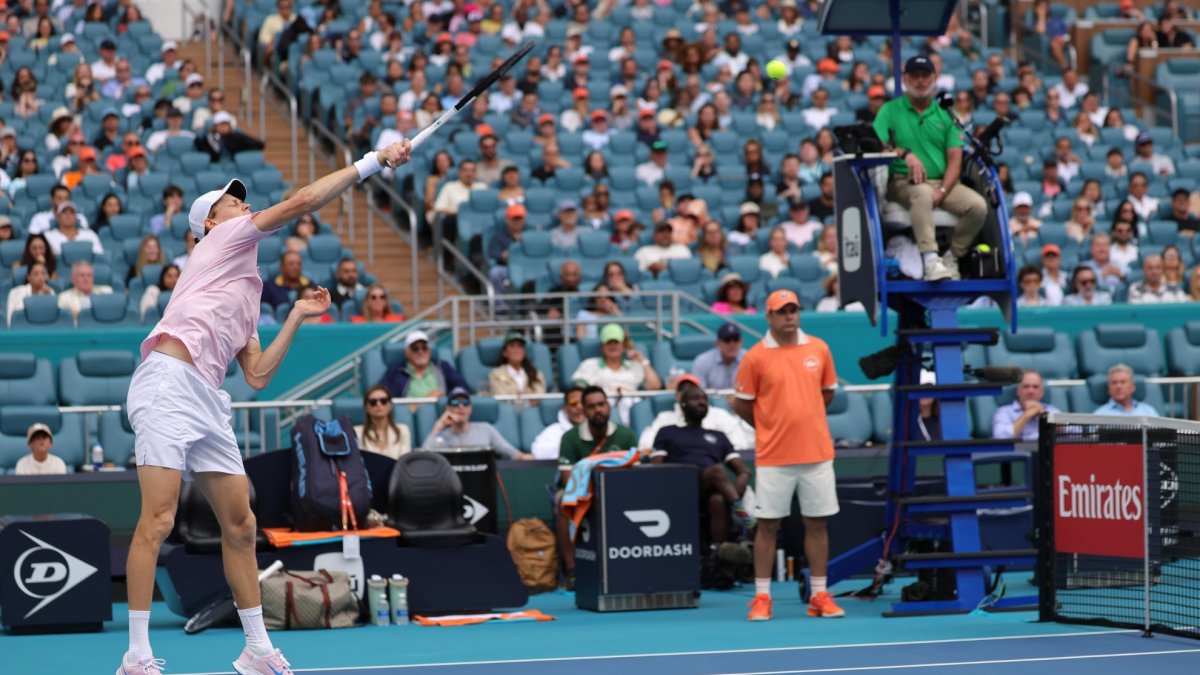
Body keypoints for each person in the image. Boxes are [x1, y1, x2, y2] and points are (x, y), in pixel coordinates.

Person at [119, 137, 412, 675]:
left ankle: (256, 649)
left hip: (208, 395)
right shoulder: (223, 240)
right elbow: (302, 201)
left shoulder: (247, 289)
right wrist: (372, 162)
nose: (241, 203)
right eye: (230, 201)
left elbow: (254, 375)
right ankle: (136, 657)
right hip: (166, 382)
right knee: (157, 520)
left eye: (239, 198)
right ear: (211, 223)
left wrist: (296, 315)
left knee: (241, 523)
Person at [733, 289, 845, 621]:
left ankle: (820, 594)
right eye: (782, 311)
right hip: (773, 457)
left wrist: (803, 420)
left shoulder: (819, 348)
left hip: (816, 453)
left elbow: (826, 394)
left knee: (817, 523)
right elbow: (741, 403)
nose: (789, 316)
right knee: (767, 526)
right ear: (769, 317)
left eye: (793, 310)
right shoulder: (754, 357)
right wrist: (771, 425)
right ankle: (762, 598)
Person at [874, 55, 988, 281]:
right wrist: (904, 153)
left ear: (934, 79)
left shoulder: (946, 114)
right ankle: (930, 259)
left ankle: (952, 256)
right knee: (923, 193)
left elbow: (955, 159)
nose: (920, 81)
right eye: (914, 76)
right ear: (905, 80)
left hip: (942, 183)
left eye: (925, 75)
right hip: (903, 181)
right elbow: (876, 146)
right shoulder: (890, 110)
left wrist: (944, 191)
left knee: (978, 207)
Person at [650, 382, 754, 547]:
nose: (702, 402)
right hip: (678, 487)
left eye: (705, 399)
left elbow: (742, 470)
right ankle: (746, 520)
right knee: (716, 471)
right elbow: (656, 468)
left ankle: (717, 552)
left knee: (718, 500)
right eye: (695, 398)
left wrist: (740, 484)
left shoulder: (718, 436)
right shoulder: (668, 431)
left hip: (709, 488)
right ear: (682, 405)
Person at [554, 385, 638, 589]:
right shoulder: (571, 438)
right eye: (591, 406)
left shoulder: (625, 435)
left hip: (618, 492)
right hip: (581, 492)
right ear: (583, 410)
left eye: (601, 404)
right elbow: (568, 480)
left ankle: (630, 567)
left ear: (608, 406)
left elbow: (635, 476)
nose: (598, 410)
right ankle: (573, 571)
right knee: (562, 504)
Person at [571, 323, 663, 425]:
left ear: (623, 345)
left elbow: (655, 386)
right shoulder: (589, 364)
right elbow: (578, 393)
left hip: (633, 412)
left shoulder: (635, 366)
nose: (613, 346)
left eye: (616, 342)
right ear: (602, 346)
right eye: (609, 342)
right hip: (601, 412)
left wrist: (642, 360)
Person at [639, 374, 754, 451]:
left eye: (692, 390)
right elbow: (646, 445)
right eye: (683, 390)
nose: (687, 393)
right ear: (677, 395)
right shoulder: (664, 419)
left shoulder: (719, 415)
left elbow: (740, 445)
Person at [422, 387, 532, 459]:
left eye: (465, 402)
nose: (461, 407)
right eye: (455, 402)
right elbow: (423, 457)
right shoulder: (441, 436)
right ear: (447, 408)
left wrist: (525, 457)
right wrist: (439, 425)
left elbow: (510, 452)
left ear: (471, 408)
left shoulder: (485, 429)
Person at [380, 330, 469, 401]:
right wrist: (427, 398)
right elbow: (382, 395)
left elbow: (462, 388)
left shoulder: (442, 367)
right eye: (415, 349)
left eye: (424, 348)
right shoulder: (395, 371)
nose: (420, 352)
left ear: (429, 351)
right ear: (407, 353)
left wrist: (447, 396)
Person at [991, 370, 1061, 441]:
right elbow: (999, 437)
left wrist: (1044, 414)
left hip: (1047, 450)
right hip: (1019, 451)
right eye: (1026, 386)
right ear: (1018, 391)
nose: (1030, 391)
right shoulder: (1004, 411)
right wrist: (1026, 416)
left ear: (1041, 393)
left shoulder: (1052, 410)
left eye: (1035, 387)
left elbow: (1071, 432)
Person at [354, 384, 412, 460]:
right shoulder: (356, 432)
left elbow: (405, 462)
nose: (379, 404)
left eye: (383, 401)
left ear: (390, 405)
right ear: (366, 407)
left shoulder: (402, 430)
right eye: (373, 402)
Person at [487, 332, 547, 405]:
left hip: (532, 413)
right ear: (504, 353)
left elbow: (540, 395)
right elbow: (500, 397)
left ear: (524, 352)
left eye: (520, 346)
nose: (516, 350)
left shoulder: (536, 373)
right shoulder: (496, 374)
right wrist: (523, 395)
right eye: (512, 346)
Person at [529, 386, 585, 460]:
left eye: (583, 402)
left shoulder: (600, 428)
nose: (579, 407)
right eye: (573, 403)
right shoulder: (553, 431)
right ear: (565, 408)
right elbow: (537, 452)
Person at [692, 323, 747, 391]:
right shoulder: (702, 361)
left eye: (736, 340)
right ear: (718, 343)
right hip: (711, 401)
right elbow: (699, 392)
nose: (732, 344)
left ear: (741, 341)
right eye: (727, 340)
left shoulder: (750, 359)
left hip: (743, 400)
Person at [1094, 364, 1160, 416]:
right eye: (1114, 383)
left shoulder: (1148, 412)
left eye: (1123, 382)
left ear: (1133, 387)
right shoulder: (1099, 415)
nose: (1118, 386)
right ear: (1109, 388)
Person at [6, 261, 55, 326]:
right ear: (28, 277)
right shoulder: (16, 292)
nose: (40, 277)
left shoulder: (50, 292)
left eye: (43, 273)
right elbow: (10, 320)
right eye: (36, 274)